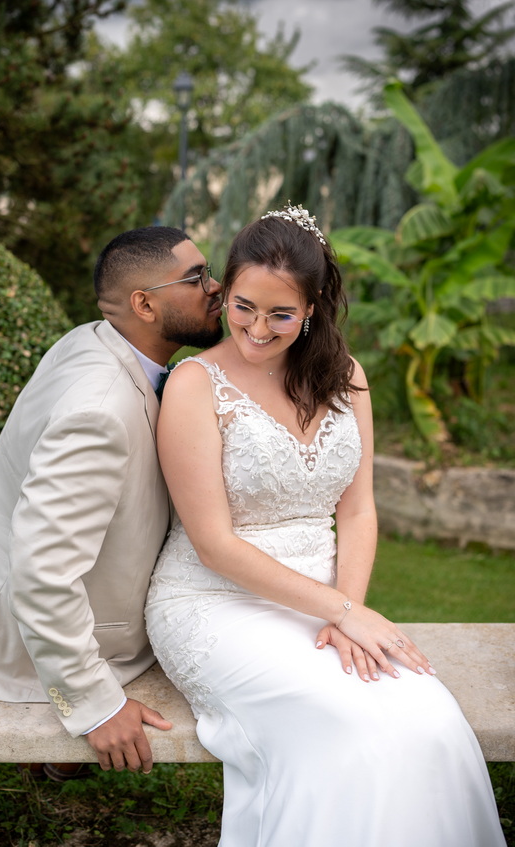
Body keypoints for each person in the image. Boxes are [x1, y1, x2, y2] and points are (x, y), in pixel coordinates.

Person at [145, 204, 506, 846]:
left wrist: (350, 613)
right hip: (213, 602)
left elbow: (359, 510)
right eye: (243, 306)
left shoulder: (347, 379)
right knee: (352, 731)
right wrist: (341, 610)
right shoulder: (194, 385)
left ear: (311, 308)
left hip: (324, 600)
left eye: (280, 314)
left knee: (432, 720)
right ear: (226, 291)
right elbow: (214, 544)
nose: (258, 328)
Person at [0, 225, 223, 780]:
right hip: (8, 628)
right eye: (198, 276)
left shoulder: (95, 337)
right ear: (145, 304)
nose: (217, 286)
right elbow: (42, 570)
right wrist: (95, 705)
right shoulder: (99, 412)